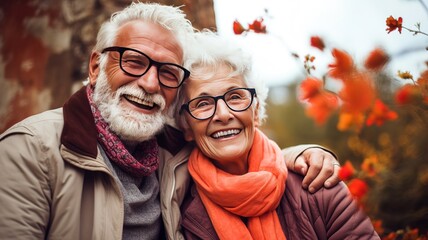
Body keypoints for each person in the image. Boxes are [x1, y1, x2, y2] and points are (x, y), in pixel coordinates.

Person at [0, 2, 340, 240]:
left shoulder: (172, 155)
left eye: (167, 72)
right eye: (133, 62)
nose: (149, 83)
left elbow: (238, 156)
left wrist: (297, 154)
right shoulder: (30, 151)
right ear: (96, 67)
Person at [176, 31, 380, 239]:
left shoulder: (320, 186)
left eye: (235, 96)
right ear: (187, 127)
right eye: (202, 103)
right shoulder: (177, 217)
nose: (223, 114)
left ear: (255, 112)